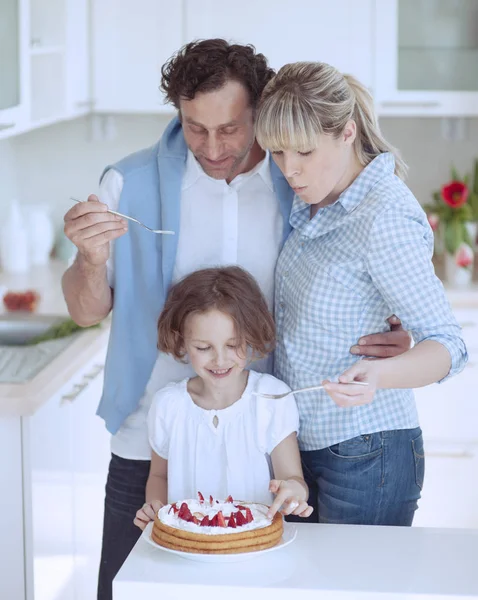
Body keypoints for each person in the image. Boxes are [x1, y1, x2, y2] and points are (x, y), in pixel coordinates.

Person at [62, 40, 411, 599]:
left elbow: (360, 261)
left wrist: (396, 322)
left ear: (260, 112)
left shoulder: (297, 183)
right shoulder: (127, 186)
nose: (213, 146)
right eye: (195, 127)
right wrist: (89, 259)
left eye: (230, 128)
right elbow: (84, 312)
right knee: (124, 589)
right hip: (147, 438)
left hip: (262, 446)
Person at [254, 61, 468, 527]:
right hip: (303, 446)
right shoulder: (314, 199)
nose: (289, 170)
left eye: (304, 153)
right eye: (277, 153)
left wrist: (378, 375)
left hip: (368, 453)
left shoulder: (382, 217)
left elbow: (451, 346)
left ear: (347, 132)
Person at [133, 266, 313, 531]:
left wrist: (293, 492)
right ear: (181, 341)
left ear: (251, 334)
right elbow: (159, 476)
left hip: (254, 547)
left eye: (232, 345)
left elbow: (293, 478)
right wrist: (155, 508)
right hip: (187, 548)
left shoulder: (272, 398)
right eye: (203, 348)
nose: (219, 359)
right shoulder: (168, 405)